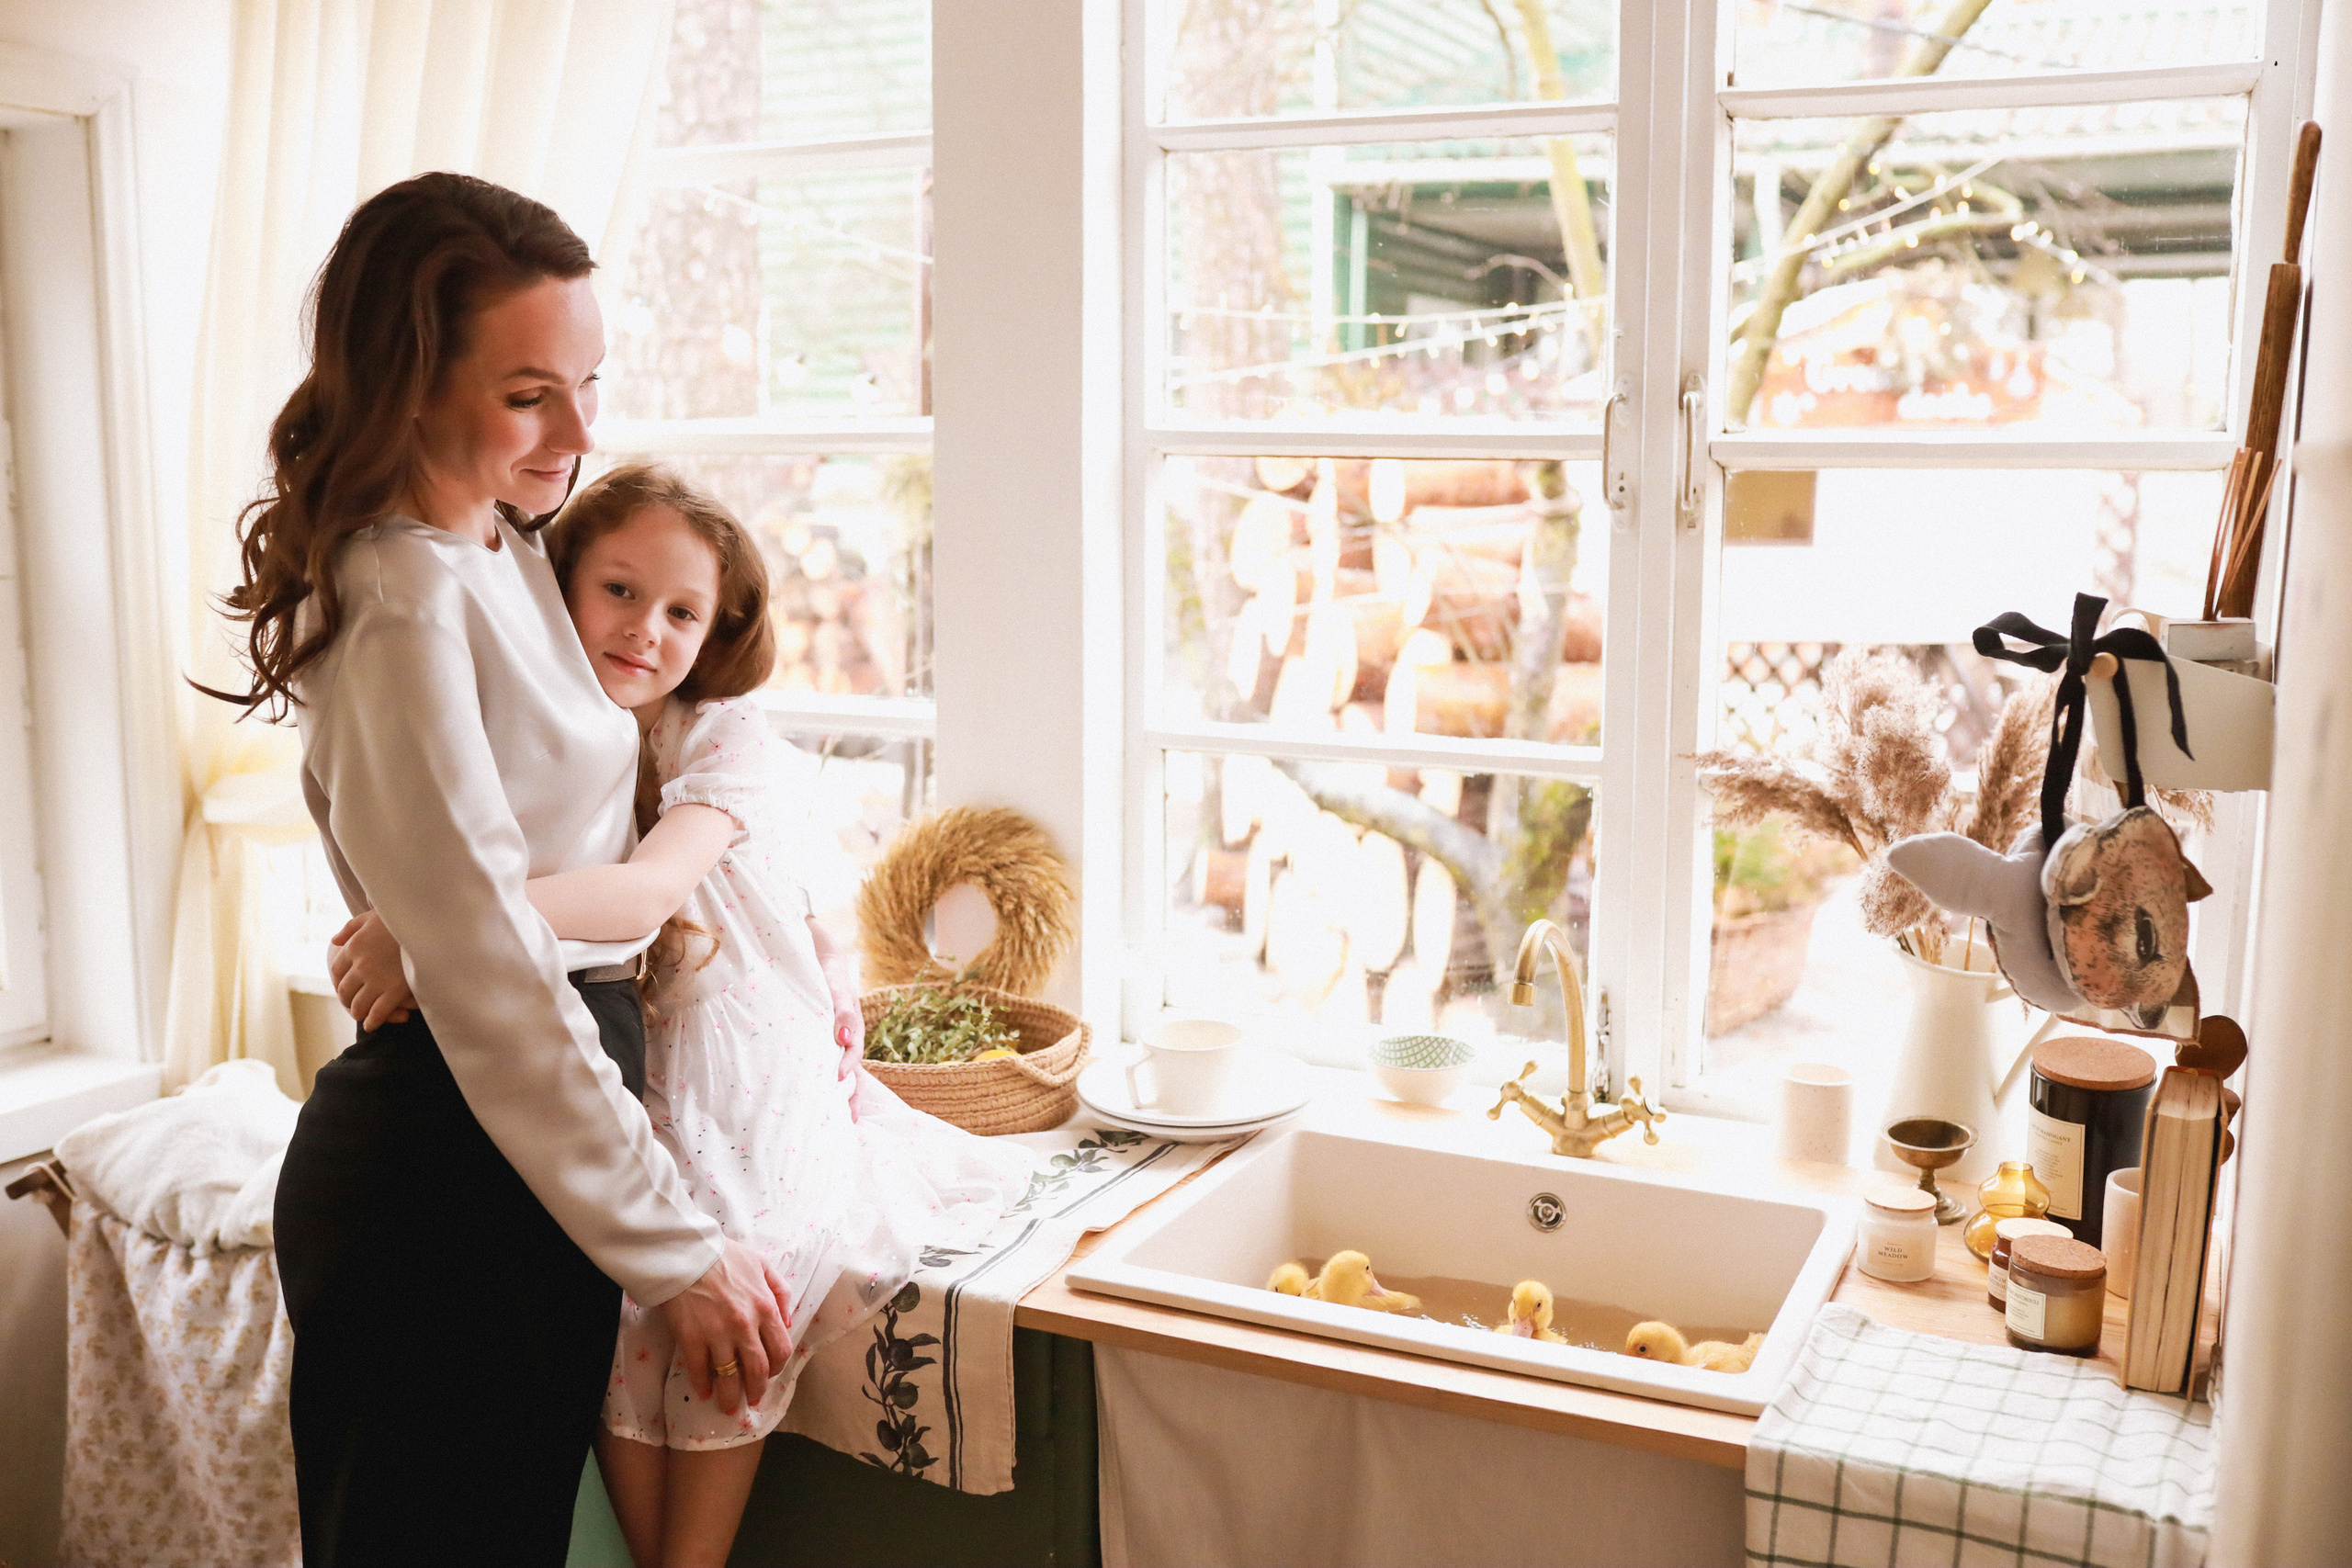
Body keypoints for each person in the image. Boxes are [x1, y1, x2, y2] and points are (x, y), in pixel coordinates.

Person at [200, 173, 792, 1567]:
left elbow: (487, 896)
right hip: (441, 1174)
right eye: (532, 393)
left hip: (510, 1170)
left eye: (588, 381)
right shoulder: (402, 597)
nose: (581, 431)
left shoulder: (506, 546)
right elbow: (490, 974)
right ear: (408, 382)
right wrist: (681, 1249)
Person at [332, 464, 1035, 1568]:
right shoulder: (552, 738)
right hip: (636, 1072)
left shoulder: (724, 743)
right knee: (615, 1296)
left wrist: (425, 930)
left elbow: (643, 895)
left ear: (713, 634)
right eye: (616, 591)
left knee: (741, 1273)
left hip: (752, 1071)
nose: (644, 632)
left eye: (680, 613)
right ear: (555, 588)